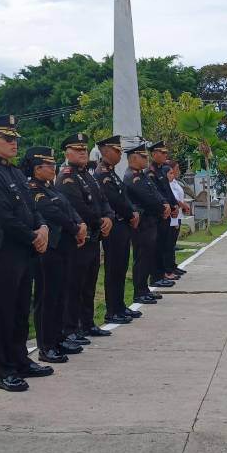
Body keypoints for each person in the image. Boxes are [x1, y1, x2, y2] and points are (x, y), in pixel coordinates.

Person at [0, 115, 52, 393]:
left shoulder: (16, 173)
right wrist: (34, 235)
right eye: (8, 139)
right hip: (4, 253)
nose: (14, 143)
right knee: (3, 313)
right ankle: (4, 369)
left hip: (25, 250)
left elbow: (32, 208)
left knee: (21, 309)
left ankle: (21, 360)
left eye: (15, 139)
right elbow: (5, 218)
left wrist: (42, 227)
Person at [23, 146, 87, 364]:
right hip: (49, 251)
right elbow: (51, 213)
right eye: (48, 165)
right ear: (37, 169)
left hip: (64, 248)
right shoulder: (34, 189)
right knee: (47, 298)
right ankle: (46, 345)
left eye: (53, 164)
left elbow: (68, 207)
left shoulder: (51, 188)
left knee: (60, 296)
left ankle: (58, 337)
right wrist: (74, 227)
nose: (52, 168)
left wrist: (80, 223)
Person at [56, 133, 114, 340]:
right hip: (78, 240)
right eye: (77, 150)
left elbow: (103, 199)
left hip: (93, 237)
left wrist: (108, 217)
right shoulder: (67, 177)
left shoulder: (88, 174)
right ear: (67, 152)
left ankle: (87, 323)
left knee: (89, 283)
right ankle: (71, 328)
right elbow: (78, 206)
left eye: (84, 149)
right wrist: (100, 221)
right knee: (75, 286)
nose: (82, 153)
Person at [94, 136, 144, 324]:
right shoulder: (102, 174)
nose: (120, 153)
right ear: (105, 151)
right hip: (114, 227)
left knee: (121, 268)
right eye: (116, 150)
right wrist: (131, 214)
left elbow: (124, 195)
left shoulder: (112, 173)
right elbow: (114, 200)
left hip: (123, 226)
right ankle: (112, 310)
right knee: (113, 270)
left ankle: (120, 305)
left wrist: (133, 211)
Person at [125, 143, 170, 304]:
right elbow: (147, 198)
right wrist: (161, 207)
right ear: (134, 158)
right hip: (142, 224)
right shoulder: (133, 176)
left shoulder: (142, 175)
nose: (146, 159)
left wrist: (164, 203)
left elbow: (156, 193)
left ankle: (144, 290)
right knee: (142, 258)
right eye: (143, 156)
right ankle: (139, 292)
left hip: (150, 222)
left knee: (148, 258)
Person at [147, 141, 179, 285]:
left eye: (166, 152)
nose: (166, 155)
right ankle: (156, 277)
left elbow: (168, 192)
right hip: (159, 215)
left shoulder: (162, 170)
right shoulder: (150, 172)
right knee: (157, 247)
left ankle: (161, 276)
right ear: (154, 154)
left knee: (164, 245)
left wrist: (174, 206)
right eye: (163, 152)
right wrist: (165, 207)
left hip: (167, 214)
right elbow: (155, 194)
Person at [166, 161, 190, 275]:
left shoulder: (175, 182)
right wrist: (183, 205)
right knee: (169, 244)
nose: (178, 170)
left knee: (173, 243)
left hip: (178, 215)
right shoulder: (168, 183)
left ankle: (173, 266)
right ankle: (168, 269)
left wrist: (183, 206)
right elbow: (173, 198)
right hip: (172, 216)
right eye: (176, 168)